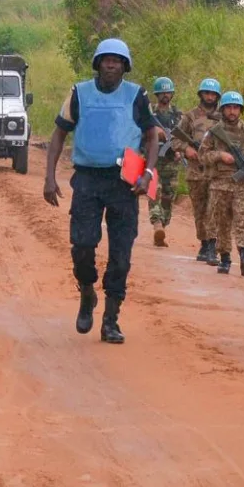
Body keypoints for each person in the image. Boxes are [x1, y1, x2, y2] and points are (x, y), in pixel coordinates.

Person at [43, 38, 160, 343]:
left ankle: (111, 319)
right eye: (106, 60)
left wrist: (148, 174)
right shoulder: (79, 93)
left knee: (121, 254)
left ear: (125, 66)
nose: (111, 65)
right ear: (98, 64)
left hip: (125, 183)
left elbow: (152, 137)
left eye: (117, 61)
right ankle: (86, 292)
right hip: (87, 180)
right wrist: (49, 177)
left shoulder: (137, 95)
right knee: (82, 246)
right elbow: (58, 136)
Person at [199, 91, 244, 275]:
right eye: (229, 107)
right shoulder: (214, 133)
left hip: (242, 185)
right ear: (223, 109)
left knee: (243, 221)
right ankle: (225, 257)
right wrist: (220, 155)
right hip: (220, 184)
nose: (232, 111)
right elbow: (202, 155)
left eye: (236, 108)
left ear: (240, 110)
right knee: (222, 222)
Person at [172, 78, 222, 262]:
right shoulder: (190, 116)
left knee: (214, 208)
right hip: (195, 172)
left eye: (213, 94)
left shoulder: (224, 117)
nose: (209, 97)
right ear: (201, 94)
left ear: (217, 96)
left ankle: (212, 246)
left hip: (217, 172)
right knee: (200, 210)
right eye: (206, 93)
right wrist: (187, 149)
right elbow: (174, 139)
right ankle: (203, 243)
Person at [148, 76, 182, 247]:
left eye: (168, 92)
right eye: (161, 92)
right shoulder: (149, 113)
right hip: (152, 159)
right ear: (156, 94)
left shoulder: (178, 116)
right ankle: (157, 225)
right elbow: (140, 130)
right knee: (155, 191)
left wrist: (179, 150)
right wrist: (155, 132)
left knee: (169, 196)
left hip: (171, 161)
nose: (165, 95)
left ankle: (163, 226)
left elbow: (184, 138)